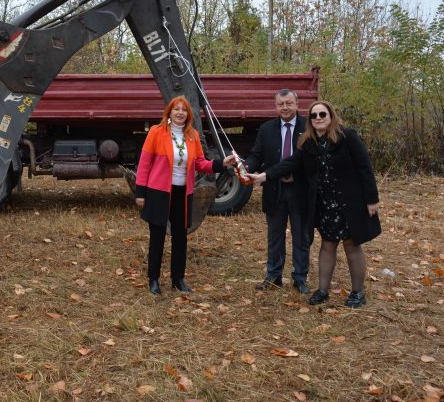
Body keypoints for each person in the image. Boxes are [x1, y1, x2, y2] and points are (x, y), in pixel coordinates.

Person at [247, 100, 381, 308]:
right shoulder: (309, 143)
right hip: (325, 204)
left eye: (322, 114)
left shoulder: (347, 136)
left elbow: (365, 168)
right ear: (310, 120)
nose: (318, 118)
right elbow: (290, 163)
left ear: (331, 116)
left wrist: (372, 199)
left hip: (350, 203)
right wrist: (264, 176)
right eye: (314, 116)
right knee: (327, 244)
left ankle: (357, 293)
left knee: (351, 244)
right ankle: (322, 290)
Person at [135, 96, 237, 295]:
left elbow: (201, 164)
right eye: (176, 109)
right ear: (169, 112)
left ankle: (178, 279)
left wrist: (221, 164)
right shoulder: (156, 133)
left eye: (184, 110)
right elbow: (144, 164)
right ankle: (153, 279)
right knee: (157, 237)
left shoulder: (193, 136)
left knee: (180, 238)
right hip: (159, 192)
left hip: (183, 193)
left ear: (188, 115)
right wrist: (141, 193)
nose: (180, 113)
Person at [244, 89, 312, 294]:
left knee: (301, 236)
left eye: (289, 103)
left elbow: (303, 159)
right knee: (275, 236)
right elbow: (256, 155)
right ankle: (273, 276)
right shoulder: (266, 129)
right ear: (276, 106)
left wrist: (266, 174)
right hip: (275, 190)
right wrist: (246, 167)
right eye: (281, 104)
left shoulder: (309, 127)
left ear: (297, 104)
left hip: (301, 190)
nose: (285, 107)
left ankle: (300, 278)